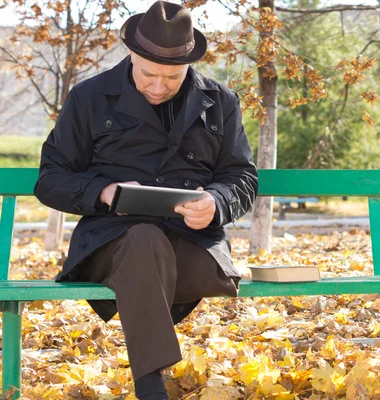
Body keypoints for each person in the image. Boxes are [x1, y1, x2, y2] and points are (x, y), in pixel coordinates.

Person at [34, 2, 258, 398]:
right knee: (142, 240)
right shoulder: (88, 97)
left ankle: (148, 349)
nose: (157, 86)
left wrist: (217, 204)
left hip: (195, 248)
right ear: (132, 54)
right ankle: (151, 387)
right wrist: (103, 193)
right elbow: (51, 179)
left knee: (150, 252)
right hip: (111, 244)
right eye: (148, 74)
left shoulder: (221, 101)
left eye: (170, 77)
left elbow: (241, 177)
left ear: (188, 64)